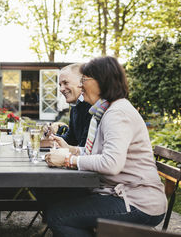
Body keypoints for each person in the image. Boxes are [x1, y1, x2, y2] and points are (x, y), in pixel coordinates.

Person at [45, 56, 167, 237]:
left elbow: (111, 163)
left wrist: (69, 160)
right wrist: (72, 150)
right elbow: (96, 152)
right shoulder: (105, 111)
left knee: (58, 216)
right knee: (57, 201)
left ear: (101, 82)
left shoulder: (117, 113)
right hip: (123, 194)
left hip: (138, 203)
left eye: (84, 80)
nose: (81, 85)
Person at [42, 63, 92, 147]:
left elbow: (84, 148)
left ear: (82, 82)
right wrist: (51, 136)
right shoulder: (75, 106)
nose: (61, 89)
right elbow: (71, 139)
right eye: (60, 85)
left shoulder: (92, 107)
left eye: (65, 83)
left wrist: (51, 142)